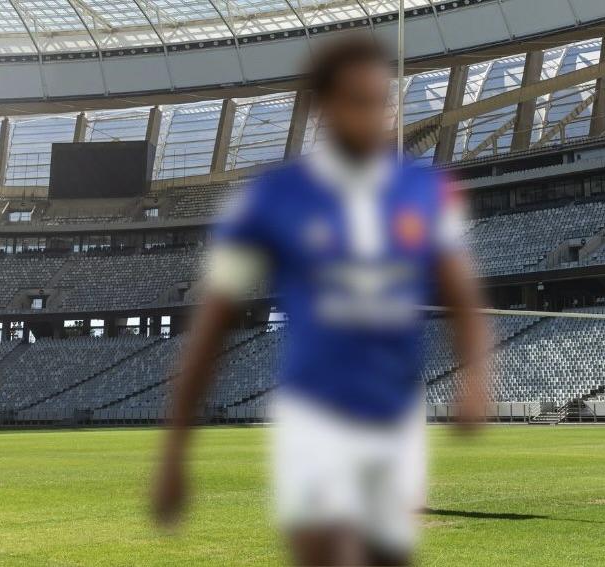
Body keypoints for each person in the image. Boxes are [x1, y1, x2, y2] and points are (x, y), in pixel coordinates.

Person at [151, 34, 491, 566]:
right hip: (314, 414)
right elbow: (214, 320)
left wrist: (476, 384)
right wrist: (175, 449)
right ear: (323, 107)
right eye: (359, 101)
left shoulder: (425, 191)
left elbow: (463, 293)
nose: (374, 116)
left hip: (393, 415)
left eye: (381, 102)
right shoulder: (271, 197)